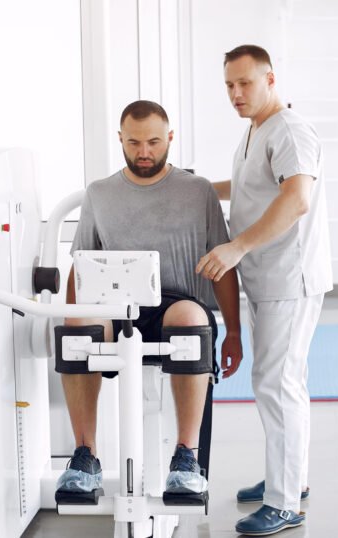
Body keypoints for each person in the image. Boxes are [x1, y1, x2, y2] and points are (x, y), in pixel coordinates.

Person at [55, 100, 243, 501]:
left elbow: (223, 263)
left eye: (154, 142)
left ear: (170, 138)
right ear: (120, 139)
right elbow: (80, 265)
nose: (144, 152)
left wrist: (234, 332)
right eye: (135, 142)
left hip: (175, 304)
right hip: (112, 304)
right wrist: (70, 315)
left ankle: (186, 457)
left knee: (192, 317)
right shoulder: (100, 193)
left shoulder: (198, 191)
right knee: (76, 326)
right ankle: (85, 456)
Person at [197, 44, 332, 536]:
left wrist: (236, 248)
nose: (236, 93)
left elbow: (296, 200)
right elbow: (250, 185)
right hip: (267, 279)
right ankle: (288, 479)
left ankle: (286, 502)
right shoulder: (257, 129)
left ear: (270, 79)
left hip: (288, 279)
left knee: (279, 385)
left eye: (245, 83)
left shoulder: (291, 131)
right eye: (229, 85)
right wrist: (195, 188)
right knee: (275, 383)